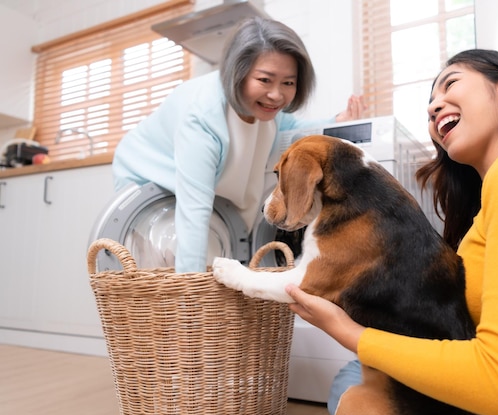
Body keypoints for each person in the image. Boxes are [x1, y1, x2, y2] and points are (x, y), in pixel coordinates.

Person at [285, 49, 498, 415]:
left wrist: (346, 330)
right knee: (353, 383)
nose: (433, 108)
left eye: (451, 84)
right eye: (430, 103)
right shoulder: (492, 206)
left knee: (353, 389)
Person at [112, 16, 364, 272]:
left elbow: (293, 129)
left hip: (205, 200)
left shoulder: (270, 115)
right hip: (147, 178)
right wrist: (192, 300)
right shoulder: (203, 119)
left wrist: (337, 122)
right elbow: (193, 214)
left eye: (288, 82)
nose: (276, 94)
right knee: (166, 264)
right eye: (265, 80)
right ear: (238, 72)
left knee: (215, 257)